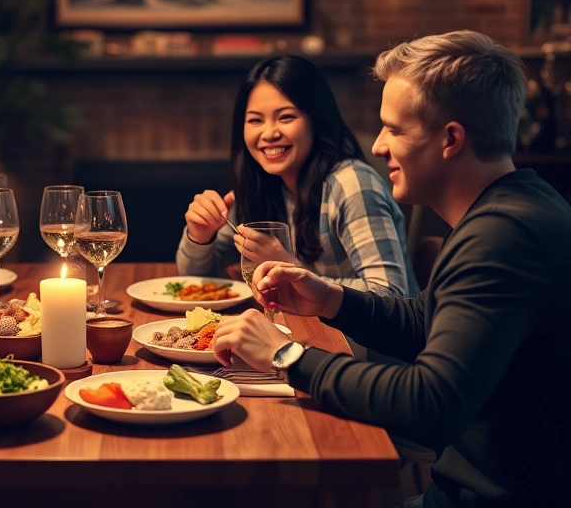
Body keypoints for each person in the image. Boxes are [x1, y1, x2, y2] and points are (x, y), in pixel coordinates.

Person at [214, 30, 571, 507]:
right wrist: (332, 299)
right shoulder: (514, 205)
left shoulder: (502, 239)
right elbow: (426, 321)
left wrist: (286, 356)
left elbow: (429, 404)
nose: (378, 146)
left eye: (395, 129)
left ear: (451, 139)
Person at [177, 55, 417, 298]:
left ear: (316, 120)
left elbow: (392, 295)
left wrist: (290, 270)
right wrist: (200, 236)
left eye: (286, 117)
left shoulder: (352, 184)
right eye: (255, 120)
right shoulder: (260, 186)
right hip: (299, 329)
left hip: (355, 337)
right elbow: (197, 280)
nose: (269, 133)